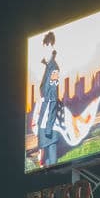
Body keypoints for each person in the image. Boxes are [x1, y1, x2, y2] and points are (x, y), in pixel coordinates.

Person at [33, 32, 63, 167]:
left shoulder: (54, 69)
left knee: (51, 159)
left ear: (50, 46)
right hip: (45, 121)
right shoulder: (49, 67)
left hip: (48, 122)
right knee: (46, 161)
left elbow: (53, 98)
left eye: (44, 47)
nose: (42, 52)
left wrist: (49, 126)